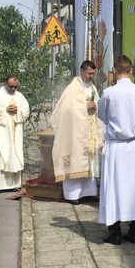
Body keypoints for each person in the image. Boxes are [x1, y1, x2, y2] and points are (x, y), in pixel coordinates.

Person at [97, 55, 135, 245]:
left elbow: (102, 115)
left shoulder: (108, 93)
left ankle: (115, 233)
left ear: (114, 71)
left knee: (114, 188)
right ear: (130, 71)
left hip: (116, 146)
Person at [51, 60, 103, 205]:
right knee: (76, 159)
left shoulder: (92, 88)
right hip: (76, 133)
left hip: (90, 130)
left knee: (89, 161)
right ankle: (72, 194)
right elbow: (66, 108)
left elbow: (98, 103)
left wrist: (95, 106)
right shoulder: (72, 89)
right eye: (89, 73)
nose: (91, 76)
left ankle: (89, 193)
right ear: (82, 71)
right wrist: (84, 106)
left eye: (93, 73)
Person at [0, 76, 30, 196]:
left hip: (14, 132)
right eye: (11, 86)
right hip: (0, 132)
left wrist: (17, 110)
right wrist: (5, 110)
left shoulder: (20, 96)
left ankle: (13, 184)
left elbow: (26, 111)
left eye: (15, 87)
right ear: (5, 84)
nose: (13, 89)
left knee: (14, 155)